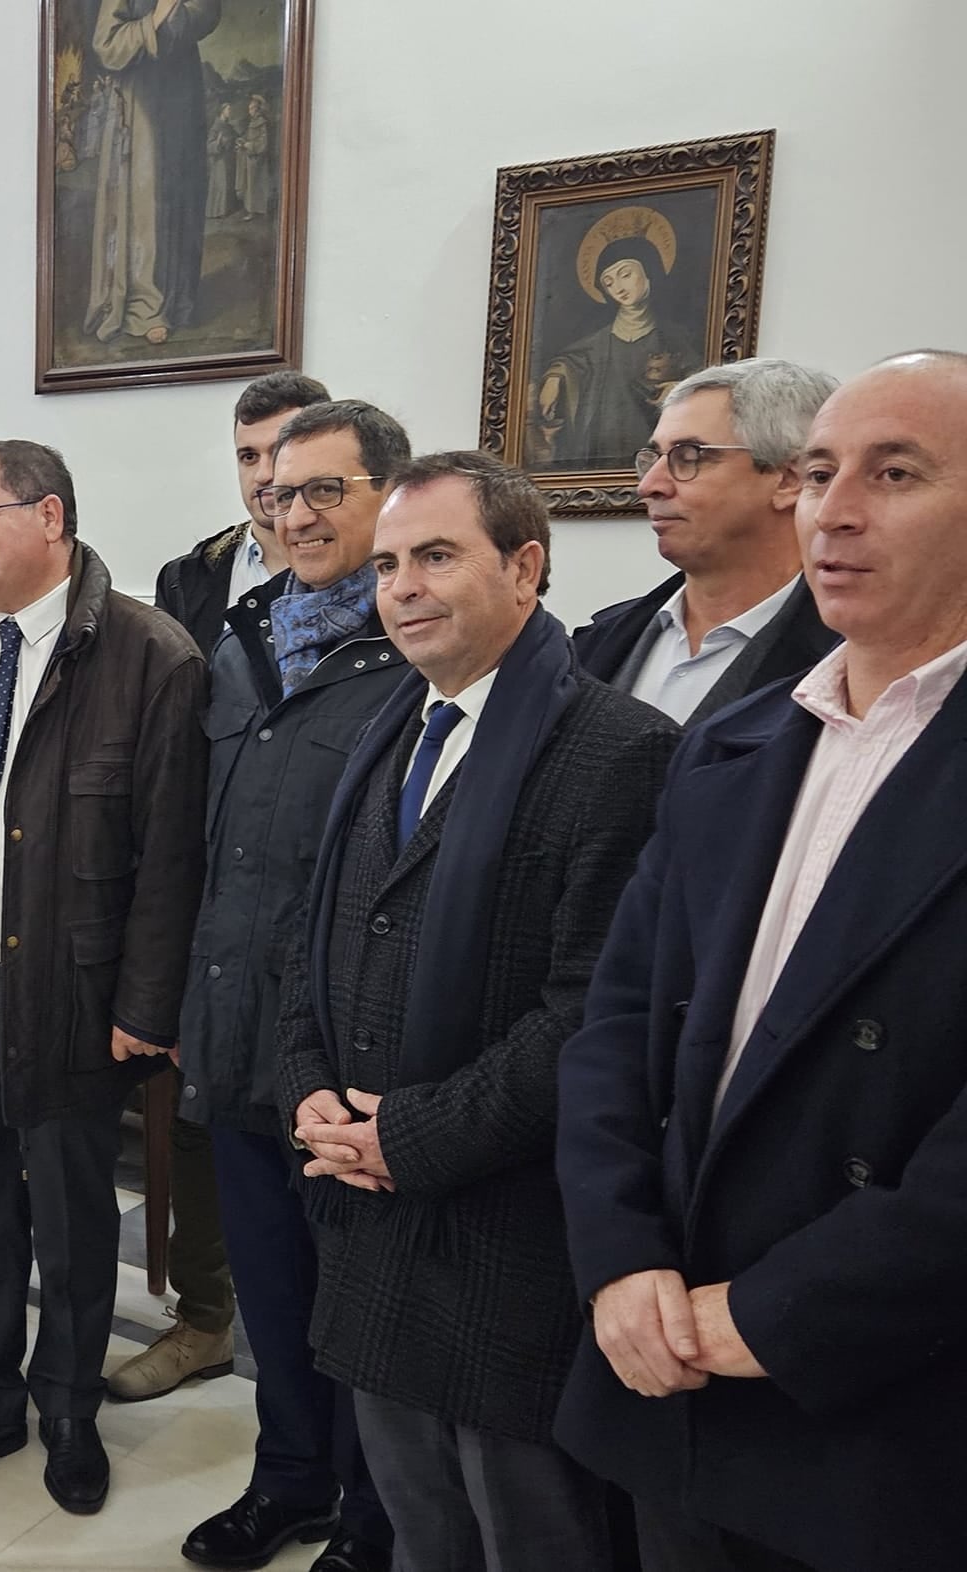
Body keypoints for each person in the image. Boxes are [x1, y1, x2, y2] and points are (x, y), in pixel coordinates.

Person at [555, 350, 967, 1571]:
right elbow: (615, 1023)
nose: (831, 511)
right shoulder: (732, 744)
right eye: (821, 473)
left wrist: (778, 1314)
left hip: (881, 1391)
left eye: (894, 474)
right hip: (672, 1351)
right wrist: (620, 1257)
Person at [278, 451, 678, 1571]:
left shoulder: (621, 751)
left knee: (528, 1534)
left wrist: (405, 1137)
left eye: (437, 557)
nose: (401, 587)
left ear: (525, 568)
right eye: (389, 564)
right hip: (371, 1221)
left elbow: (592, 1014)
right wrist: (307, 1086)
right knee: (421, 1528)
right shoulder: (391, 728)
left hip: (507, 1240)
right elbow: (317, 937)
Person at [0, 439, 207, 1515]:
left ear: (51, 517)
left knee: (70, 1213)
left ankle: (66, 1404)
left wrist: (144, 1008)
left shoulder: (149, 656)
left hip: (72, 986)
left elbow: (171, 854)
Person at [177, 400, 411, 1572]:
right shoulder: (243, 636)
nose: (295, 513)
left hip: (348, 1046)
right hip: (235, 1021)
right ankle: (288, 1479)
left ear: (388, 497)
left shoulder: (414, 645)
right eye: (277, 491)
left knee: (354, 1296)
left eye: (325, 489)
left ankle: (371, 1516)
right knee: (268, 1286)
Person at [116, 370, 328, 1419]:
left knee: (310, 1131)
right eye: (247, 457)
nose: (265, 480)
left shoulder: (376, 578)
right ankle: (204, 1319)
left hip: (320, 890)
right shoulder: (192, 576)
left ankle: (323, 1362)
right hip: (208, 880)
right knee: (200, 1113)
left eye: (284, 456)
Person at [575, 358, 841, 724]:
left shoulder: (849, 661)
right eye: (653, 458)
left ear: (788, 480)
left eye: (689, 457)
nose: (648, 485)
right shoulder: (597, 643)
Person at [153, 370, 331, 656]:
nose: (263, 475)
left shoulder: (368, 564)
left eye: (279, 452)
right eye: (249, 457)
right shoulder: (186, 578)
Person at [85, 0, 223, 345]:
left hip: (182, 93)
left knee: (183, 191)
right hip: (141, 96)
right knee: (147, 199)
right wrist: (157, 17)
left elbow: (207, 13)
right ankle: (144, 306)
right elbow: (107, 44)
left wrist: (179, 13)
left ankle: (178, 299)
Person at [534, 208, 703, 472]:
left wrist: (679, 390)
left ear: (649, 271)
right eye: (609, 282)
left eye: (625, 274)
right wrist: (555, 378)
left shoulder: (677, 337)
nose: (618, 288)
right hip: (595, 454)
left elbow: (705, 382)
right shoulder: (598, 343)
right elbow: (571, 360)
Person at [237, 94, 276, 222]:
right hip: (251, 158)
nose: (249, 111)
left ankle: (256, 211)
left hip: (258, 159)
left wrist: (249, 145)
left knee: (257, 185)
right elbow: (251, 137)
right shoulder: (253, 122)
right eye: (249, 109)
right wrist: (243, 141)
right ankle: (252, 210)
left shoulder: (261, 123)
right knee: (250, 185)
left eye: (251, 109)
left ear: (256, 109)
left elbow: (263, 143)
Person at [205, 103, 238, 220]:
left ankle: (227, 208)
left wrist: (236, 142)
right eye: (228, 109)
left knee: (228, 184)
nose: (230, 111)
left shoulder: (228, 126)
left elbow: (234, 139)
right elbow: (209, 146)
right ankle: (218, 211)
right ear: (222, 111)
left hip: (229, 160)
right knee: (221, 184)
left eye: (230, 109)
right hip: (220, 161)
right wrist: (218, 143)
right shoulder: (216, 127)